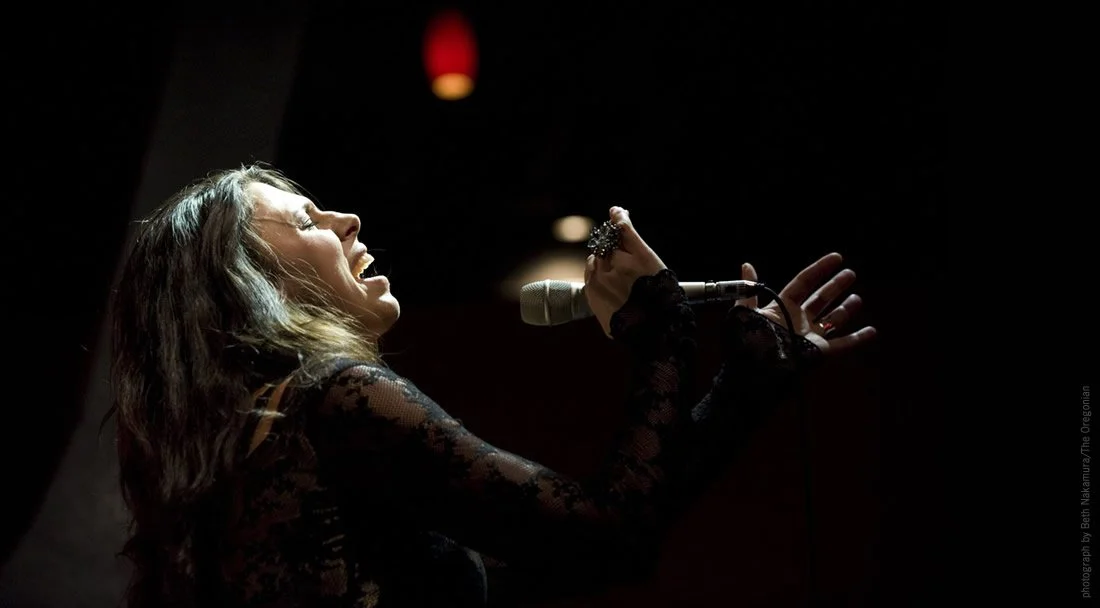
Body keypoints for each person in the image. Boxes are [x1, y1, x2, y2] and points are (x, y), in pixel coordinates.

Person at [107, 164, 875, 607]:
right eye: (307, 222)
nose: (346, 219)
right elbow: (608, 541)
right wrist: (661, 322)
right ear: (252, 284)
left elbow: (557, 554)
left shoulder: (253, 455)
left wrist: (742, 385)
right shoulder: (336, 401)